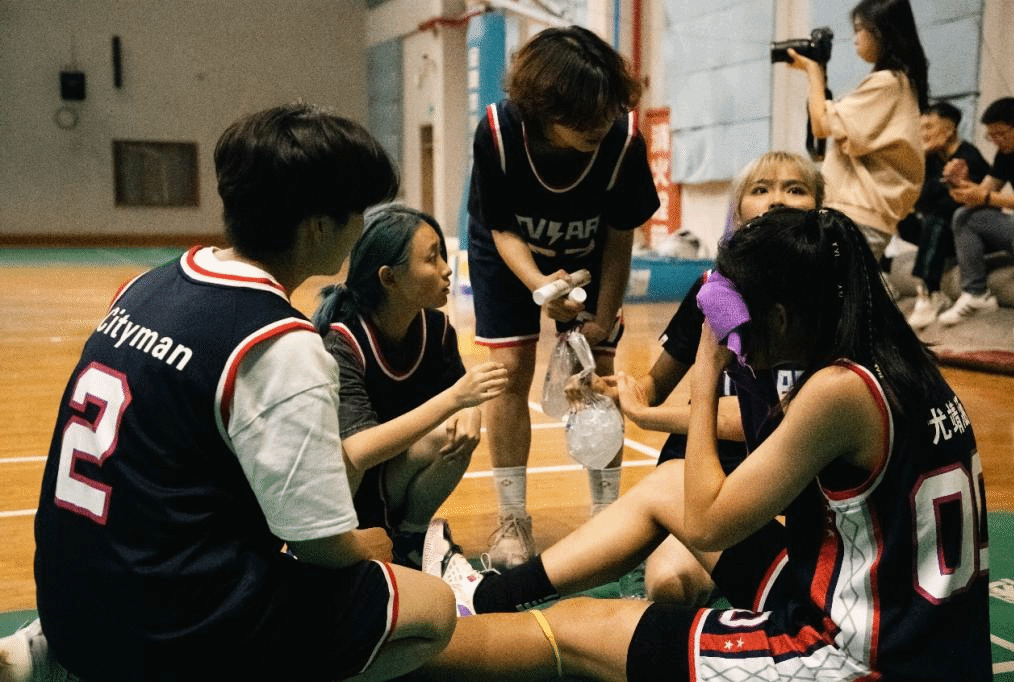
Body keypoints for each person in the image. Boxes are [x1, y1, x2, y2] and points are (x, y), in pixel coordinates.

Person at [419, 207, 992, 681]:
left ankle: (388, 655)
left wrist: (708, 362)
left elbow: (707, 523)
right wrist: (649, 412)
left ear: (781, 317)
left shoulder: (836, 393)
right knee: (667, 481)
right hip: (919, 633)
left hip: (855, 656)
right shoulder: (895, 363)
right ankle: (488, 596)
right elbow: (769, 426)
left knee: (572, 628)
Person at [0, 104, 459, 682]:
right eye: (356, 214)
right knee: (433, 609)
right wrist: (368, 546)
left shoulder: (147, 285)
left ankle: (61, 655)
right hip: (165, 626)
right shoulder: (282, 344)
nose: (359, 230)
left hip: (67, 601)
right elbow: (317, 545)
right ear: (318, 227)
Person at [467, 25, 660, 568]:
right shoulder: (498, 133)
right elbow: (501, 227)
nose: (600, 124)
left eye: (607, 111)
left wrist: (603, 316)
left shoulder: (622, 138)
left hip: (591, 253)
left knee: (599, 375)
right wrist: (539, 286)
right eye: (585, 116)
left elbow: (620, 236)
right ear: (544, 109)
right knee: (509, 372)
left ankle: (608, 516)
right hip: (510, 255)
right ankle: (513, 518)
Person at [596, 151, 823, 605]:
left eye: (795, 189)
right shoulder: (710, 289)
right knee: (669, 585)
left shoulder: (834, 298)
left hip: (795, 484)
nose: (777, 199)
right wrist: (615, 390)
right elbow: (652, 387)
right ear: (738, 211)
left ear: (820, 207)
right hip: (708, 474)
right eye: (761, 189)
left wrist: (648, 417)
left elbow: (766, 419)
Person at [310, 203, 508, 569]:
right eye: (432, 259)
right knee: (438, 431)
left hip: (390, 478)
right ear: (389, 278)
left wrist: (471, 412)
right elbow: (358, 450)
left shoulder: (436, 329)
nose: (446, 269)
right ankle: (339, 548)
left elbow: (464, 402)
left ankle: (411, 537)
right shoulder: (341, 343)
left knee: (456, 432)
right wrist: (457, 399)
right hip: (338, 492)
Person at [786, 0, 928, 261]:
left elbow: (821, 125)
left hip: (858, 216)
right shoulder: (899, 83)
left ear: (882, 32)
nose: (855, 38)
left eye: (860, 29)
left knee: (836, 286)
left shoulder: (887, 83)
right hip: (859, 215)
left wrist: (813, 72)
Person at [938, 96, 1014, 339]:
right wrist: (961, 183)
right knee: (965, 216)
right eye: (991, 136)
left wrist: (985, 197)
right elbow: (983, 193)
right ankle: (976, 293)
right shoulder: (1006, 154)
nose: (996, 141)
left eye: (1001, 134)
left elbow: (988, 197)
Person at [899, 101, 990, 329]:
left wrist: (937, 192)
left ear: (949, 130)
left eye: (929, 127)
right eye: (921, 128)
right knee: (900, 216)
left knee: (938, 217)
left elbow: (954, 203)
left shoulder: (968, 157)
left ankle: (930, 292)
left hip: (965, 232)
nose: (923, 134)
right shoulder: (929, 159)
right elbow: (915, 198)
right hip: (938, 228)